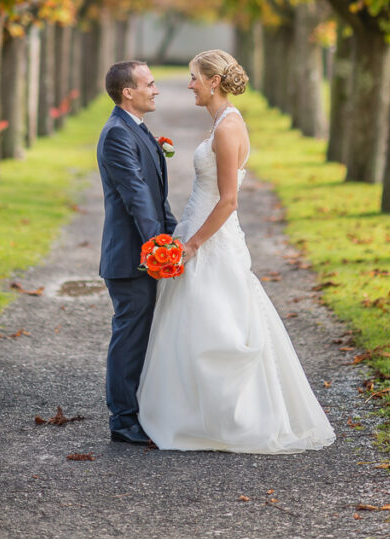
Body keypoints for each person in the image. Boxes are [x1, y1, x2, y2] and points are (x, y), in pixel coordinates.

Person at [137, 49, 336, 453]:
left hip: (211, 240)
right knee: (192, 323)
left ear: (213, 82)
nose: (189, 84)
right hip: (198, 230)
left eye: (194, 77)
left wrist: (192, 244)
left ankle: (229, 419)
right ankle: (191, 412)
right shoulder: (221, 123)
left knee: (217, 325)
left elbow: (228, 201)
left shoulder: (228, 128)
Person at [97, 60, 178, 446]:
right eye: (149, 83)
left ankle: (139, 411)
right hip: (131, 258)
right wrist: (158, 246)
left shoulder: (135, 130)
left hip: (144, 252)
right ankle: (123, 420)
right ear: (128, 92)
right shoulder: (116, 134)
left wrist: (176, 234)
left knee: (142, 334)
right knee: (130, 336)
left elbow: (156, 197)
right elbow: (136, 198)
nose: (156, 89)